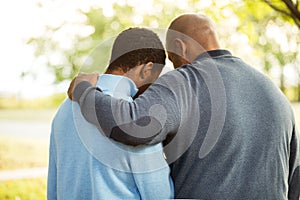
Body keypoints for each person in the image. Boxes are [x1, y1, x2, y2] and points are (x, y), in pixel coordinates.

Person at [69, 14, 300, 199]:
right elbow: (294, 178)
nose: (174, 66)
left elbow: (131, 124)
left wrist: (84, 91)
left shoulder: (185, 81)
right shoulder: (274, 91)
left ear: (181, 46)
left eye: (172, 58)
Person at [48, 27, 174, 199]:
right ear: (147, 69)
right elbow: (159, 194)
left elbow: (54, 186)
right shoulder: (137, 118)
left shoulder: (65, 108)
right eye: (155, 79)